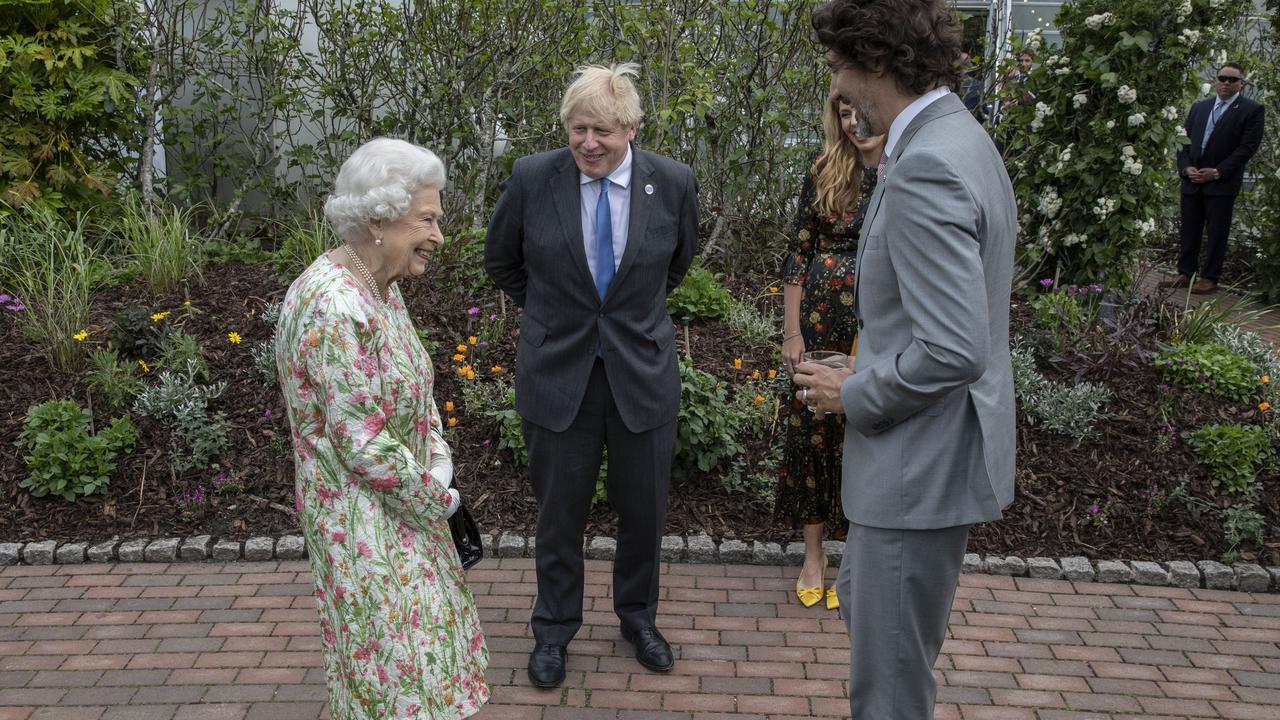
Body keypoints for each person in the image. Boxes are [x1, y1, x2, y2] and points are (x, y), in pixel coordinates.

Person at [796, 1, 1017, 717]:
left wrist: (852, 393)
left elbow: (953, 347)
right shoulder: (960, 138)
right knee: (891, 656)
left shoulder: (928, 165)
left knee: (888, 688)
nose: (835, 88)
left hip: (913, 469)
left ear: (879, 61)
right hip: (928, 463)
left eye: (838, 67)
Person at [484, 62, 698, 689]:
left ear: (631, 127)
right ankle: (553, 629)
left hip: (641, 373)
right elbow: (502, 259)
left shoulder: (674, 182)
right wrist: (554, 314)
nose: (587, 144)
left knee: (644, 513)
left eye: (601, 130)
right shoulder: (532, 178)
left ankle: (639, 619)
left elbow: (675, 264)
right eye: (577, 129)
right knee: (559, 514)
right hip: (559, 374)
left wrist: (626, 318)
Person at [275, 137, 489, 719]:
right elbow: (361, 443)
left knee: (418, 668)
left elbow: (416, 390)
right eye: (426, 218)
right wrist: (439, 497)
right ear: (377, 219)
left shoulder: (380, 289)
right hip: (363, 523)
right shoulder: (333, 306)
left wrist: (438, 456)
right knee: (396, 677)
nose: (438, 235)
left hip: (404, 508)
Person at [778, 96, 884, 611]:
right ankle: (814, 556)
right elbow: (798, 252)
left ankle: (854, 559)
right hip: (820, 320)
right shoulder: (824, 169)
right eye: (844, 113)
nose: (854, 121)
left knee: (862, 435)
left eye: (860, 110)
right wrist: (791, 332)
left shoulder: (898, 172)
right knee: (812, 431)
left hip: (875, 326)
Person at [1161, 61, 1265, 294]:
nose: (1226, 83)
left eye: (1232, 80)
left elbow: (1247, 148)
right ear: (1215, 80)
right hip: (1192, 180)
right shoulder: (1200, 107)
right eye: (1222, 78)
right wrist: (1186, 168)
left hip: (1221, 183)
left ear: (1242, 83)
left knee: (1217, 231)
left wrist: (1217, 172)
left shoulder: (1252, 110)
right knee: (1189, 229)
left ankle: (1210, 277)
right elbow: (1183, 141)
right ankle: (1185, 272)